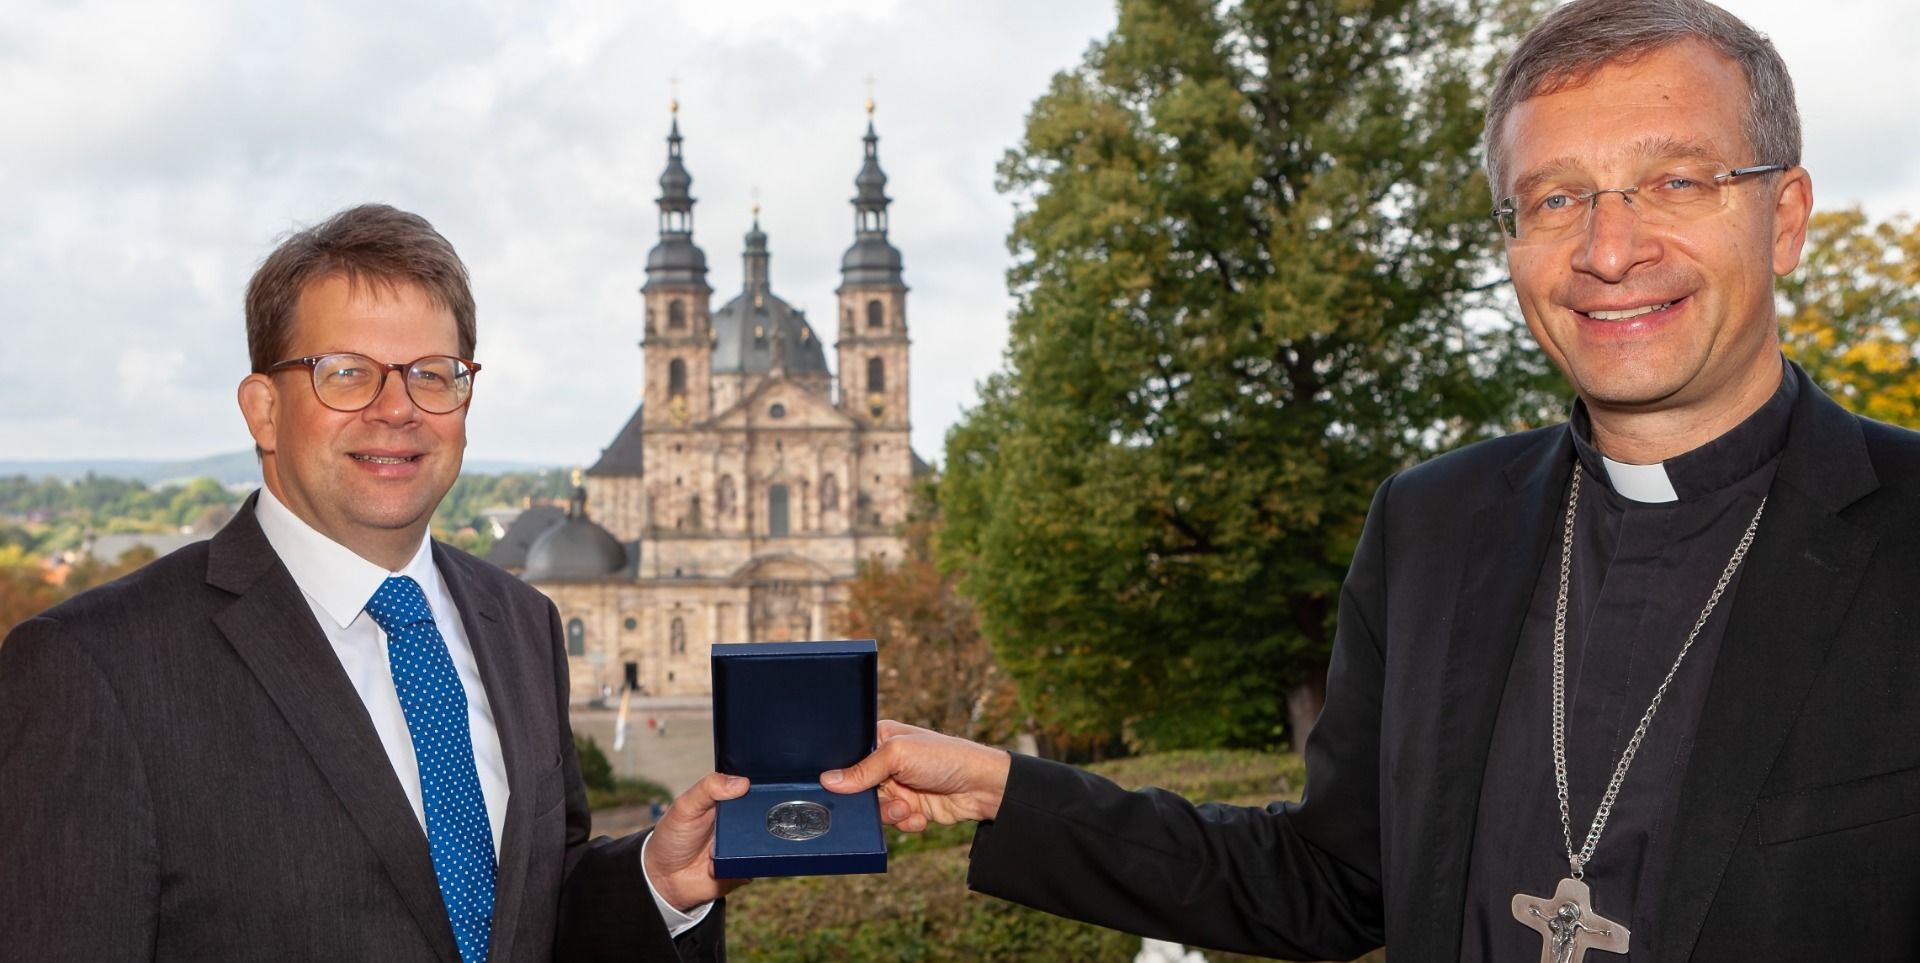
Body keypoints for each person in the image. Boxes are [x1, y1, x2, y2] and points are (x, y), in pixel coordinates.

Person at [821, 0, 1920, 959]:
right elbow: (1333, 880)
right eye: (1553, 199)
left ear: (1784, 219)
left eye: (1674, 181)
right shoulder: (1435, 526)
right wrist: (1011, 794)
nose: (1609, 248)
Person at [0, 204, 748, 962]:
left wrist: (662, 879)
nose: (398, 409)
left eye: (433, 374)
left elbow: (534, 911)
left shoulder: (521, 621)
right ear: (263, 409)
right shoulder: (93, 668)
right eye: (346, 373)